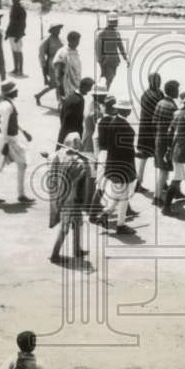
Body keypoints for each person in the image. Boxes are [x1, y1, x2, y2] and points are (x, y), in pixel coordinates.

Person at [0, 79, 35, 205]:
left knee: (4, 165)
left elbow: (12, 122)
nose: (17, 91)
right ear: (11, 92)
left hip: (7, 140)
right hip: (6, 140)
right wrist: (5, 144)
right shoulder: (7, 106)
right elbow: (4, 126)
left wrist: (24, 131)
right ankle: (18, 194)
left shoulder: (7, 104)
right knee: (4, 165)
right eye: (15, 90)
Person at [97, 96, 138, 234]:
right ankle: (120, 225)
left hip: (113, 164)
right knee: (124, 197)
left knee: (118, 194)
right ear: (127, 111)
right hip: (123, 167)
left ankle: (105, 214)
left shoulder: (113, 123)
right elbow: (127, 151)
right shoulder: (125, 127)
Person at [49, 132, 91, 263]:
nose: (80, 146)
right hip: (69, 198)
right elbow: (81, 176)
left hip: (70, 196)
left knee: (78, 222)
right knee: (65, 227)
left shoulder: (59, 154)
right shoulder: (74, 160)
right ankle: (54, 255)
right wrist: (85, 165)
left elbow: (50, 158)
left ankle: (77, 249)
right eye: (77, 143)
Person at [151, 80, 180, 207]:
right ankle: (157, 197)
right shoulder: (173, 107)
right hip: (167, 142)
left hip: (158, 138)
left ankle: (175, 192)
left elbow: (153, 123)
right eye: (177, 89)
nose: (178, 92)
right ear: (172, 91)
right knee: (164, 171)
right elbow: (173, 129)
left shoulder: (160, 103)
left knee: (164, 169)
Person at [134, 72, 164, 192]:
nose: (158, 82)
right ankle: (139, 182)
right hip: (152, 131)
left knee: (145, 157)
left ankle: (139, 182)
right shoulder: (155, 95)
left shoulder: (148, 94)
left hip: (146, 131)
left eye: (159, 80)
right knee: (156, 157)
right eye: (156, 80)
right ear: (151, 81)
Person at [35, 23, 65, 107]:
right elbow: (41, 55)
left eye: (59, 29)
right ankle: (60, 103)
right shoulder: (47, 40)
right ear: (52, 30)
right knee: (58, 84)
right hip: (52, 65)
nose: (59, 31)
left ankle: (38, 95)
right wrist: (44, 69)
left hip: (61, 63)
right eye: (57, 29)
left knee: (54, 84)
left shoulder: (61, 40)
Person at [95, 13, 128, 89]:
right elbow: (98, 49)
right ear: (111, 22)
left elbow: (120, 46)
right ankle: (101, 96)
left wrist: (126, 58)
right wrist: (101, 62)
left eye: (116, 21)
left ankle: (103, 95)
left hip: (114, 61)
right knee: (106, 80)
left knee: (110, 79)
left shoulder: (116, 33)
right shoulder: (102, 34)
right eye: (115, 21)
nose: (117, 23)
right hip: (106, 61)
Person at [58, 77, 93, 145]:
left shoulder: (70, 96)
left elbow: (62, 115)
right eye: (89, 88)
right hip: (72, 136)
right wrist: (80, 135)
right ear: (85, 87)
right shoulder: (79, 101)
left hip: (63, 131)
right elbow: (78, 121)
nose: (90, 90)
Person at [53, 31, 83, 103]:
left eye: (78, 41)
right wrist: (60, 86)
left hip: (76, 83)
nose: (78, 43)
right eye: (76, 41)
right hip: (66, 84)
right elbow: (58, 70)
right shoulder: (62, 52)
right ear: (70, 40)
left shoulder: (75, 51)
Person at [5, 0, 27, 77]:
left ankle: (20, 69)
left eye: (16, 0)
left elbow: (23, 24)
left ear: (19, 0)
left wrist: (20, 35)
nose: (14, 1)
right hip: (11, 32)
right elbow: (10, 22)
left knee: (19, 52)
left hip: (17, 33)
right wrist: (7, 33)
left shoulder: (21, 10)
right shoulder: (12, 8)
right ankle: (15, 68)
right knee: (13, 51)